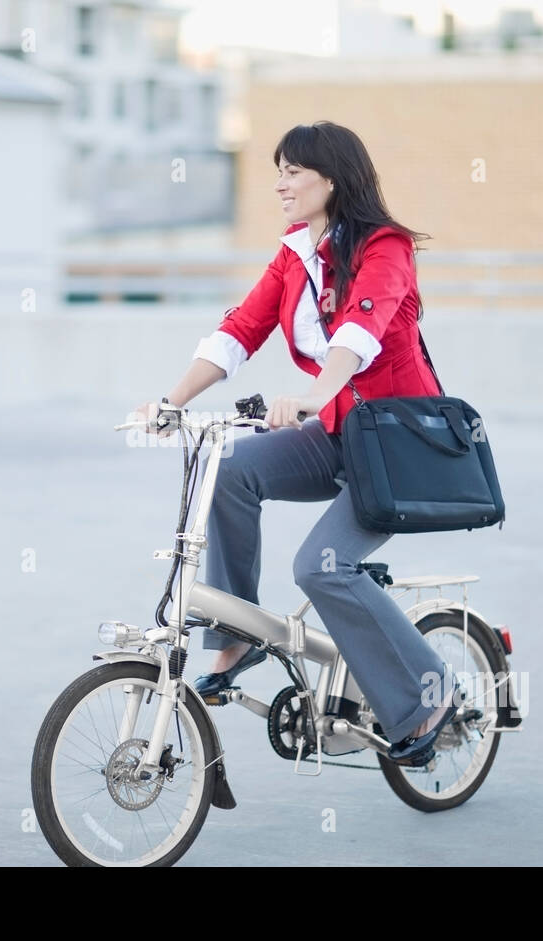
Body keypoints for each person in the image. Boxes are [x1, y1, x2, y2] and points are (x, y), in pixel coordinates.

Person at [131, 121, 459, 766]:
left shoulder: (384, 248)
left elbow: (363, 328)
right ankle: (236, 636)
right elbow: (239, 330)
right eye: (276, 169)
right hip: (341, 432)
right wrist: (172, 404)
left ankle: (429, 696)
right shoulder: (294, 256)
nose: (280, 182)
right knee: (228, 469)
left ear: (331, 179)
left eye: (292, 171)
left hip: (397, 444)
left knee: (322, 566)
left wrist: (315, 393)